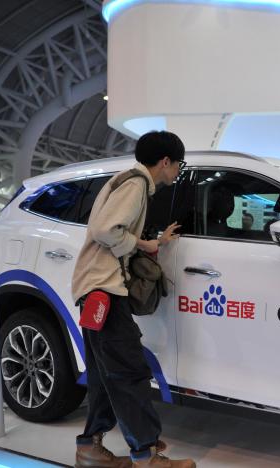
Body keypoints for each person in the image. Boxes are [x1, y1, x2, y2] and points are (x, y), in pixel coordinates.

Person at [71, 131, 196, 468]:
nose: (178, 172)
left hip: (95, 289)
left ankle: (90, 448)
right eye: (178, 164)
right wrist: (144, 245)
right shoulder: (137, 183)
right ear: (166, 161)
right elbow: (105, 231)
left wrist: (152, 241)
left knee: (105, 373)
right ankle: (145, 455)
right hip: (104, 290)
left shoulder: (126, 181)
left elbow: (111, 228)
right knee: (129, 371)